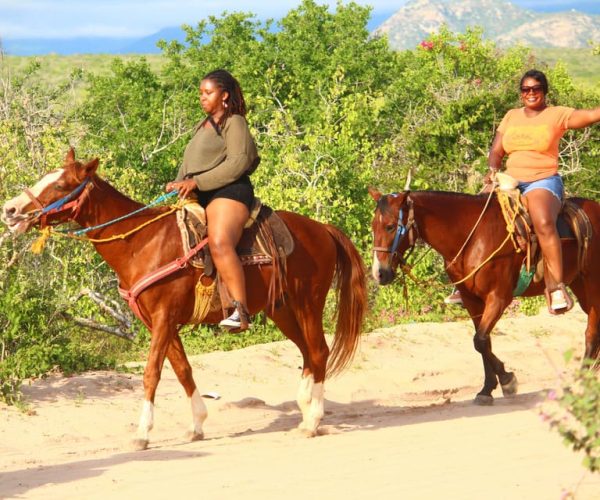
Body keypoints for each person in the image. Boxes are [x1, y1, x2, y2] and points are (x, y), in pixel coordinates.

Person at [446, 69, 600, 313]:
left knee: (542, 221)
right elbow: (497, 151)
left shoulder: (556, 114)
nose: (530, 93)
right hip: (510, 180)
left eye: (535, 89)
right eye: (526, 89)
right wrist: (493, 169)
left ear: (544, 92)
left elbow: (590, 115)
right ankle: (465, 281)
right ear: (521, 94)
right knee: (477, 215)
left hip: (542, 181)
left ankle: (556, 286)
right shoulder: (511, 116)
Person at [166, 69, 260, 332]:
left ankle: (240, 311)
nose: (202, 98)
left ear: (224, 95)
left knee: (219, 242)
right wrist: (179, 183)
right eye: (200, 93)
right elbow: (189, 166)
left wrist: (196, 182)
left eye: (208, 93)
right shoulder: (203, 126)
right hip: (200, 194)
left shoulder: (235, 122)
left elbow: (239, 161)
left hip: (229, 191)